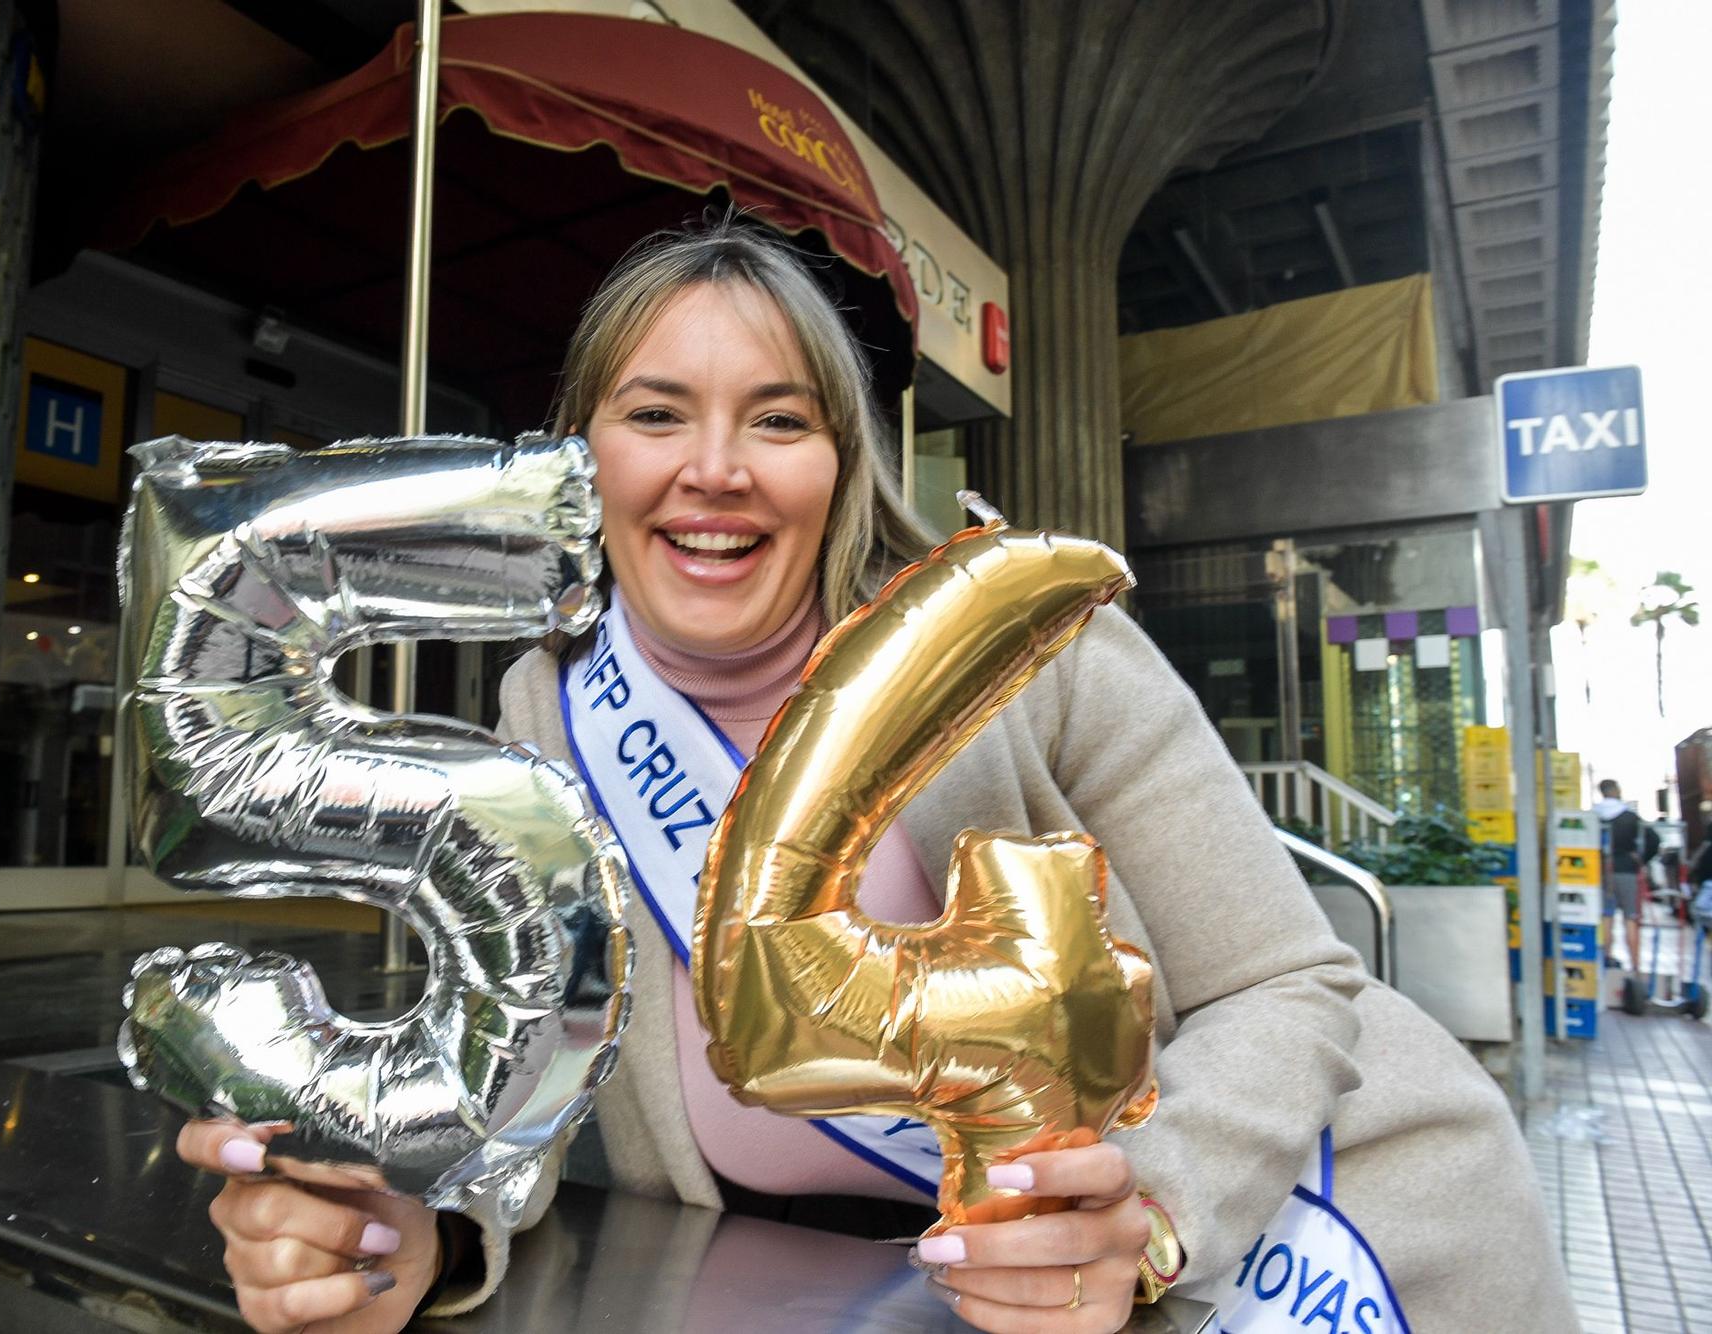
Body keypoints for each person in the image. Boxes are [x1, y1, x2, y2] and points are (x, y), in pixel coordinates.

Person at [174, 221, 1577, 1332]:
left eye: (779, 422)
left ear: (842, 465)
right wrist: (415, 1230)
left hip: (1313, 1241)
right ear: (582, 455)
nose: (714, 471)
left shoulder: (1035, 649)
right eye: (657, 414)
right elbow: (524, 1079)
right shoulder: (544, 712)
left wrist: (1145, 1206)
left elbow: (1290, 981)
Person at [1595, 779, 1660, 973]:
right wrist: (1640, 859)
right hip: (1628, 871)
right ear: (1614, 790)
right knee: (1631, 918)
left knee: (1606, 917)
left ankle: (1605, 959)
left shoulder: (1595, 816)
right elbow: (1654, 839)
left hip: (1603, 870)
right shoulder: (1630, 817)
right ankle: (1635, 966)